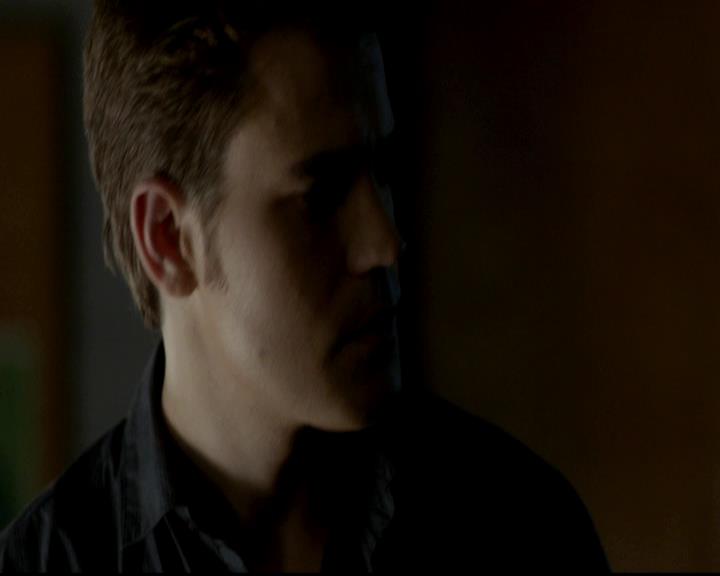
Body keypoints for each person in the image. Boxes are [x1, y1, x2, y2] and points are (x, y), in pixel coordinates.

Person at [0, 1, 609, 571]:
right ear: (168, 238)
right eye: (320, 197)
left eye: (381, 172)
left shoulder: (521, 524)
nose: (385, 243)